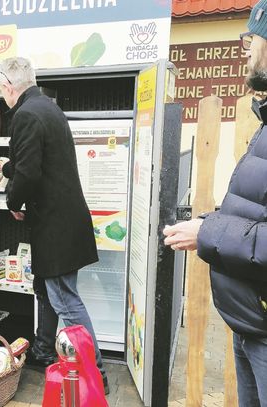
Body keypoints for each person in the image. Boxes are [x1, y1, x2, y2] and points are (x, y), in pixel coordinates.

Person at [163, 3, 267, 405]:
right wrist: (208, 222)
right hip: (252, 324)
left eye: (252, 38)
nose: (245, 48)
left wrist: (207, 231)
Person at [0, 57, 108, 393]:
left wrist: (13, 202)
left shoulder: (26, 114)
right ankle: (44, 349)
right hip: (66, 220)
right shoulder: (48, 108)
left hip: (56, 227)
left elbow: (29, 173)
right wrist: (12, 170)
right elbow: (39, 163)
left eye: (0, 89)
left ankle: (95, 374)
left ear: (8, 87)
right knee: (47, 290)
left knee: (67, 301)